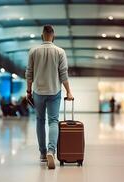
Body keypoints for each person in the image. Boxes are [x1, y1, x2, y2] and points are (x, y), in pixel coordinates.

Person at [26, 25, 73, 169]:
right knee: (53, 121)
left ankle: (42, 153)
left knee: (40, 120)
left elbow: (29, 73)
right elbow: (63, 74)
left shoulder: (33, 51)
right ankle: (51, 151)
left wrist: (28, 91)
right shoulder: (60, 52)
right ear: (53, 36)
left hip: (38, 92)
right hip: (54, 91)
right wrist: (69, 91)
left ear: (42, 35)